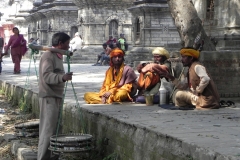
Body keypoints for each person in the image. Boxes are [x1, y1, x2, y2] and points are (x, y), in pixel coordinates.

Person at [37, 32, 73, 160]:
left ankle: (53, 157)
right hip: (48, 96)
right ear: (60, 44)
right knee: (48, 130)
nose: (69, 47)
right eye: (67, 44)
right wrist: (62, 77)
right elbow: (47, 76)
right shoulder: (48, 56)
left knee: (57, 129)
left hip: (57, 96)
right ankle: (43, 157)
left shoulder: (58, 56)